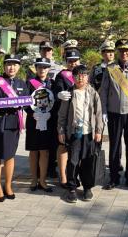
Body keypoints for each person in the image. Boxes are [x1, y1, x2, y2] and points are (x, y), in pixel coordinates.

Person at [100, 38, 128, 192]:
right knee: (114, 146)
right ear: (118, 52)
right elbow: (104, 91)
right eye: (121, 50)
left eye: (127, 50)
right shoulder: (110, 69)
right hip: (114, 114)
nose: (124, 53)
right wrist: (104, 111)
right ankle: (114, 177)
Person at [57, 65, 104, 203]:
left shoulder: (93, 93)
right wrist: (61, 131)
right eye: (77, 75)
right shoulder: (69, 94)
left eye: (83, 75)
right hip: (74, 133)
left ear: (88, 77)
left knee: (88, 161)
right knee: (73, 161)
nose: (80, 78)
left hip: (89, 133)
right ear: (73, 77)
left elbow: (99, 113)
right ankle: (71, 188)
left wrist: (98, 131)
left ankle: (87, 187)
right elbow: (62, 115)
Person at [0, 54, 29, 201]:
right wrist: (6, 103)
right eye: (9, 64)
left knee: (10, 156)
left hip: (14, 124)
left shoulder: (22, 83)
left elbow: (27, 102)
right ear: (4, 66)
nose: (11, 67)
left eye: (15, 64)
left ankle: (8, 185)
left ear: (19, 67)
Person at [25, 57, 55, 192]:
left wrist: (50, 113)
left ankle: (42, 180)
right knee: (33, 151)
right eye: (40, 67)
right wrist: (31, 113)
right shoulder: (29, 83)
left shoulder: (52, 83)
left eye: (45, 67)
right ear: (36, 68)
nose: (42, 69)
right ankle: (33, 179)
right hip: (33, 121)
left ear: (48, 69)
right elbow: (25, 101)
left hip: (47, 121)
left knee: (44, 151)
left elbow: (55, 102)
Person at [52, 48, 81, 187]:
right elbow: (57, 89)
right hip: (65, 115)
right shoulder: (61, 75)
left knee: (77, 145)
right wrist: (59, 94)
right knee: (63, 145)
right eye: (70, 61)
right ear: (66, 62)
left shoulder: (83, 74)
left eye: (75, 61)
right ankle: (63, 176)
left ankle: (75, 174)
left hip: (80, 116)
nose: (73, 63)